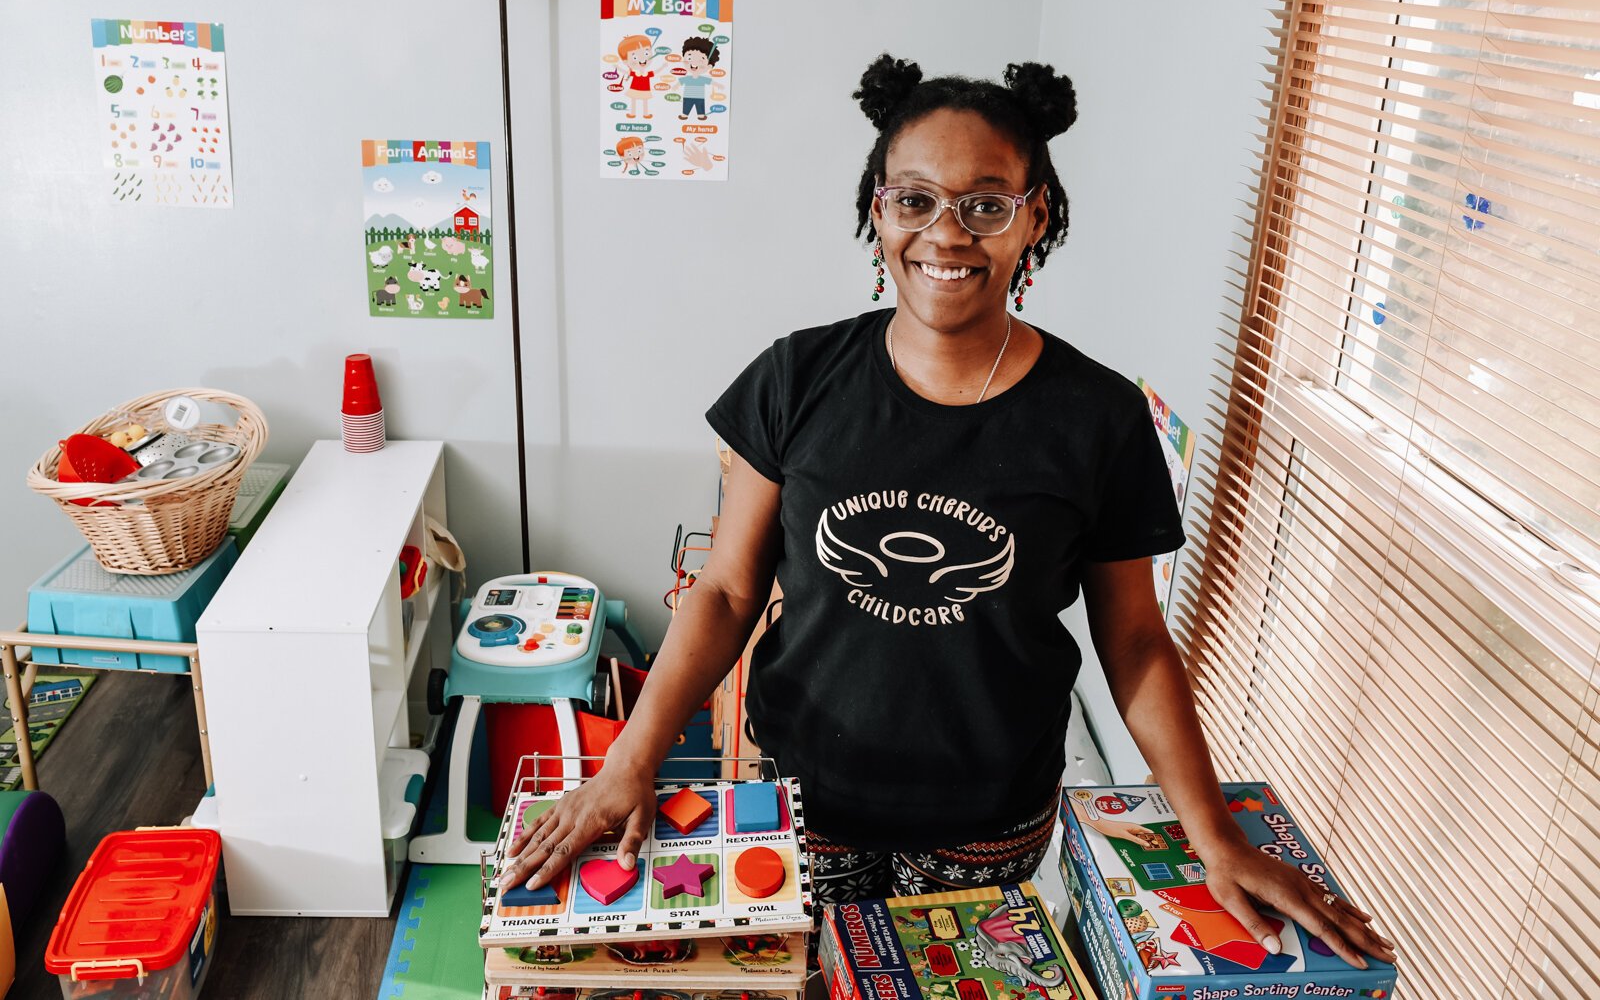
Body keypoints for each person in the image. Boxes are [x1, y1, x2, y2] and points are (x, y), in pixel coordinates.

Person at [498, 54, 1395, 971]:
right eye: (915, 199)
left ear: (1034, 217)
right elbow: (728, 591)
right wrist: (629, 761)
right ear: (877, 210)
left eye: (986, 203)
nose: (947, 233)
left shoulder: (1099, 418)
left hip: (989, 819)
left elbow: (1133, 641)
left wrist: (1211, 835)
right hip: (805, 794)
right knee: (805, 979)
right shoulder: (797, 379)